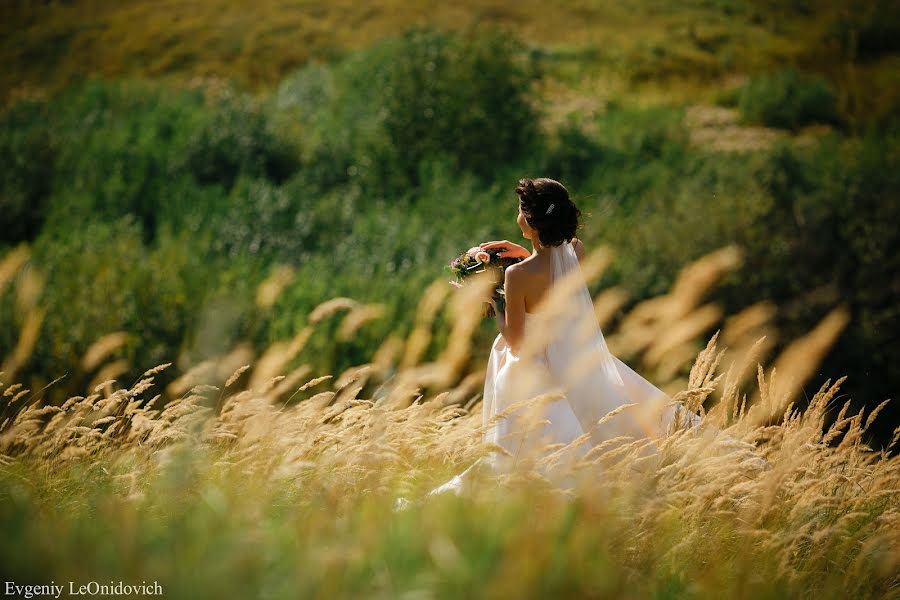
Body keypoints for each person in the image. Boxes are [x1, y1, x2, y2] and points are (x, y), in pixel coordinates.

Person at [420, 178, 702, 500]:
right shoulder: (576, 251)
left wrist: (492, 300)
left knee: (525, 454)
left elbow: (515, 340)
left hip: (535, 369)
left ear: (529, 219)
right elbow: (551, 278)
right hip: (573, 358)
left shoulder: (516, 276)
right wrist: (526, 252)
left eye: (520, 210)